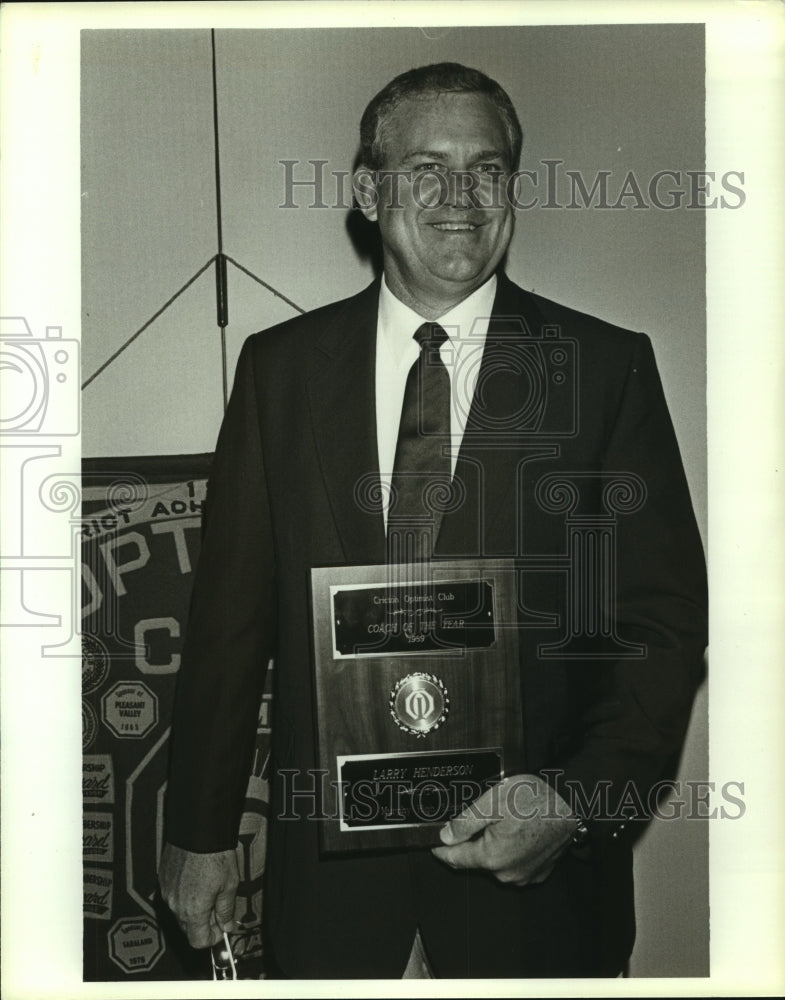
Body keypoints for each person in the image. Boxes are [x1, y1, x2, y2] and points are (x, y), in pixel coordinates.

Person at [159, 62, 708, 978]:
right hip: (332, 907)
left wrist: (574, 803)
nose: (459, 197)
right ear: (369, 190)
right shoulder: (279, 371)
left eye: (486, 170)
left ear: (512, 191)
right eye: (426, 169)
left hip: (533, 899)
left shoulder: (603, 370)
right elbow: (227, 627)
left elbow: (657, 625)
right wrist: (200, 831)